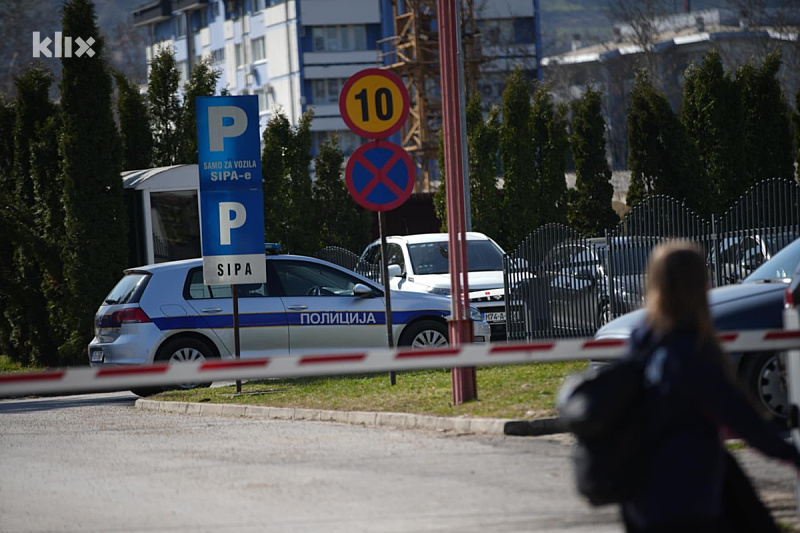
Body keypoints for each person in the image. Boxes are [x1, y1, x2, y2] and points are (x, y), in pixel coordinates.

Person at [620, 240, 800, 532]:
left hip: (639, 497)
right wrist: (789, 454)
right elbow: (739, 416)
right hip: (687, 493)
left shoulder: (641, 341)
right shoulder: (690, 351)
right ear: (700, 287)